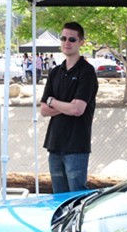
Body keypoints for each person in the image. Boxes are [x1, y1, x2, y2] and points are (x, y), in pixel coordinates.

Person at [40, 21, 99, 194]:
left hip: (76, 146)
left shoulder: (87, 72)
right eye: (63, 38)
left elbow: (77, 110)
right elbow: (44, 110)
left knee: (76, 196)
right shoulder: (55, 72)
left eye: (72, 39)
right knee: (58, 196)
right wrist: (67, 105)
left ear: (81, 42)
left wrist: (53, 102)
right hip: (54, 144)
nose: (67, 42)